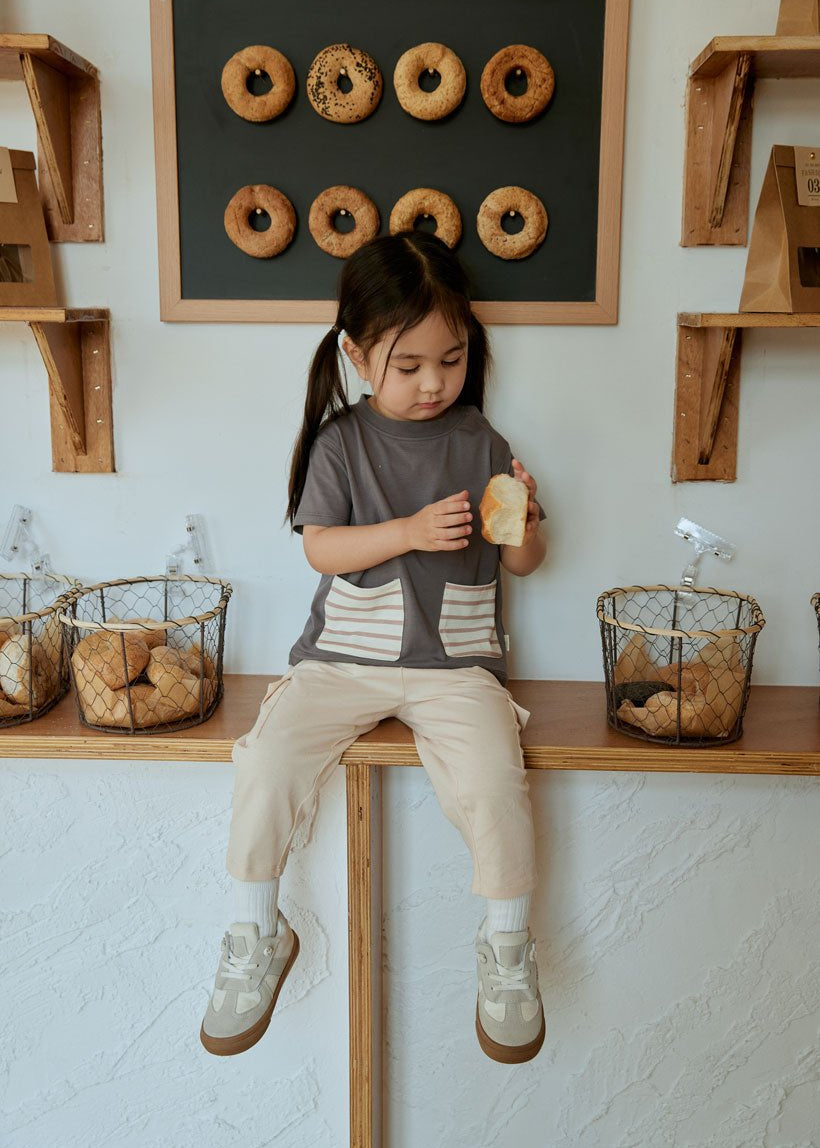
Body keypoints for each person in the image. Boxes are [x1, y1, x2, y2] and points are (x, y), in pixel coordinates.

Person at [200, 231, 548, 1064]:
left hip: (455, 666)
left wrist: (526, 519)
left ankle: (507, 949)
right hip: (341, 659)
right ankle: (256, 932)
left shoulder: (482, 442)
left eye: (451, 360)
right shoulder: (341, 444)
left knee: (497, 778)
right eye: (410, 364)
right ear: (357, 355)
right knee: (267, 759)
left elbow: (522, 562)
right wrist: (411, 531)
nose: (434, 383)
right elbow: (321, 548)